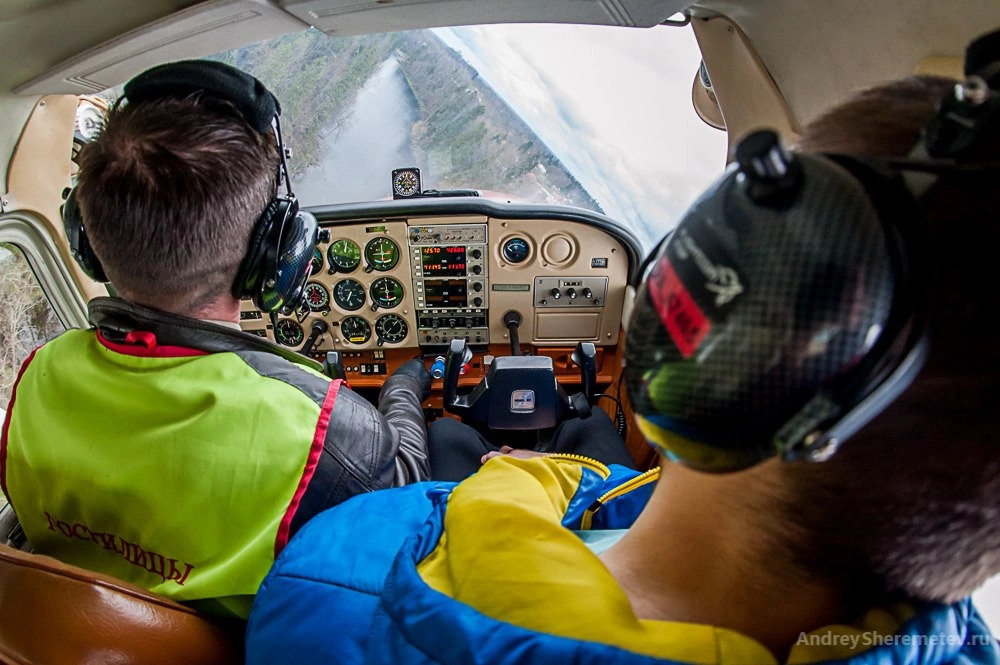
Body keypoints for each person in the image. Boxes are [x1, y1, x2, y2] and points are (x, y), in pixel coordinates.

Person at [244, 35, 1000, 665]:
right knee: (584, 424)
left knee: (449, 433)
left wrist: (500, 477)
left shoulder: (323, 584)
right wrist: (531, 475)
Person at [0, 60, 430, 618]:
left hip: (70, 626)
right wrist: (405, 385)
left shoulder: (39, 373)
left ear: (86, 240)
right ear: (273, 256)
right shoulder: (315, 429)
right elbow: (408, 495)